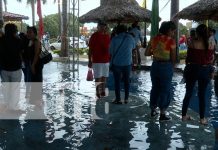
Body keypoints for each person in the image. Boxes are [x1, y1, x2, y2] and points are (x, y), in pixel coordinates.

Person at [182, 24, 215, 125]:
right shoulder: (211, 44)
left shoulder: (192, 42)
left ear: (197, 32)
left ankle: (184, 116)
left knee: (188, 93)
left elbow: (188, 57)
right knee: (202, 95)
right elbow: (211, 59)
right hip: (204, 70)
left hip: (192, 69)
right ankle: (202, 119)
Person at [144, 21, 177, 121]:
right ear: (168, 30)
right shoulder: (171, 41)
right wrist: (172, 67)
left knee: (155, 88)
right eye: (173, 31)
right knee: (165, 90)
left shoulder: (154, 39)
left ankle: (153, 110)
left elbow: (147, 53)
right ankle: (162, 113)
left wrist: (156, 50)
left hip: (155, 66)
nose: (174, 33)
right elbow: (173, 57)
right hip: (165, 66)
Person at [109, 24, 135, 104]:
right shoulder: (131, 38)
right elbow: (133, 48)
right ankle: (126, 99)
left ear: (117, 31)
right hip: (127, 63)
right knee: (127, 81)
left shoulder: (114, 39)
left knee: (117, 82)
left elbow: (110, 52)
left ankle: (118, 99)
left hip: (117, 63)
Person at [0, 23, 23, 112]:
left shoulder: (1, 40)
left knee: (6, 88)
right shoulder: (18, 40)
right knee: (15, 89)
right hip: (15, 68)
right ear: (14, 31)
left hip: (4, 69)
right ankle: (13, 108)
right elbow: (21, 53)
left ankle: (8, 105)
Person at [88, 22, 111, 99]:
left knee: (104, 76)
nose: (102, 27)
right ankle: (98, 91)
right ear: (98, 27)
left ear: (105, 27)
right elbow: (90, 49)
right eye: (101, 26)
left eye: (104, 26)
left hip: (106, 60)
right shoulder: (94, 36)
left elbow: (110, 48)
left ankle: (103, 90)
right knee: (98, 77)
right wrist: (89, 60)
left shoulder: (107, 36)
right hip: (97, 60)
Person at [26, 26, 44, 106]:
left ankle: (38, 102)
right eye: (27, 32)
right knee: (34, 82)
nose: (28, 34)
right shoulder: (31, 41)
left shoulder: (36, 42)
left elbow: (36, 54)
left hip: (37, 65)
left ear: (35, 33)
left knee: (37, 82)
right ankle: (35, 101)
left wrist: (33, 65)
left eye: (30, 32)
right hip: (33, 65)